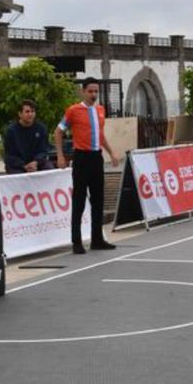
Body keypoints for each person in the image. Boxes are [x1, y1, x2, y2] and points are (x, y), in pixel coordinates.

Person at [55, 78, 119, 254]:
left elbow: (100, 135)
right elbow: (58, 131)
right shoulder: (73, 110)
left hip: (96, 157)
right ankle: (76, 241)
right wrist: (60, 156)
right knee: (79, 200)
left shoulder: (100, 110)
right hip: (82, 158)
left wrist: (111, 152)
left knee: (98, 199)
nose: (93, 94)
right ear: (83, 92)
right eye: (90, 91)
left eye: (96, 91)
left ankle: (97, 239)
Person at [3, 99, 54, 174]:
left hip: (37, 163)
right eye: (27, 111)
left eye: (32, 111)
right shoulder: (11, 131)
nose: (30, 114)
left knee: (49, 169)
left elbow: (44, 151)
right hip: (18, 166)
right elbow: (9, 156)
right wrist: (24, 166)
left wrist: (36, 162)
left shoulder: (41, 129)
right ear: (20, 114)